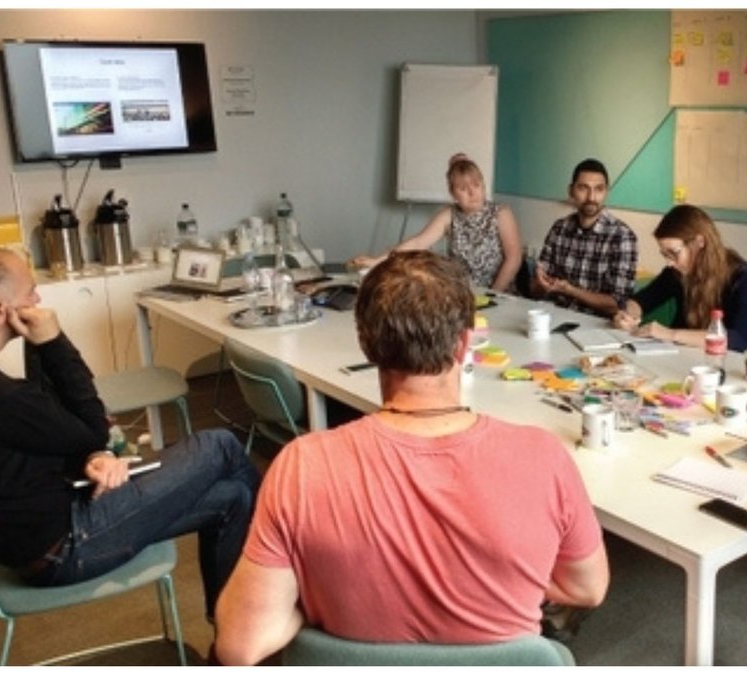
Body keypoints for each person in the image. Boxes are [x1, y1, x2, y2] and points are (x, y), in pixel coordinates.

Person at [214, 250, 609, 665]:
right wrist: (504, 574)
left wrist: (307, 595)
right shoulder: (543, 458)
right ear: (463, 345)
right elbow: (588, 589)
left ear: (367, 344)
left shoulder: (300, 465)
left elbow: (241, 646)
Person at [0, 246, 260, 622]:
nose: (38, 301)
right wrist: (53, 341)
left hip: (38, 530)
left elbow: (48, 428)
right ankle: (289, 554)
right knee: (219, 444)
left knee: (234, 497)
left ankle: (234, 630)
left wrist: (92, 458)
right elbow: (91, 427)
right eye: (31, 292)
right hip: (66, 545)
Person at [351, 153, 523, 292]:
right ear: (453, 194)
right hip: (462, 294)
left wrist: (494, 293)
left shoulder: (501, 213)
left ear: (483, 185)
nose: (472, 192)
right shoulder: (449, 215)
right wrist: (377, 261)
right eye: (463, 189)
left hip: (499, 295)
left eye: (476, 185)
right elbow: (417, 242)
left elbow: (514, 258)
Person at [612, 204, 747, 351]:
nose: (669, 262)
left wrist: (670, 334)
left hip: (732, 366)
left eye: (674, 253)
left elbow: (739, 339)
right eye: (665, 254)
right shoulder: (677, 272)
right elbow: (642, 300)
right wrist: (627, 315)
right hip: (688, 359)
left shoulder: (746, 278)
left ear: (700, 242)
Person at [530, 158, 637, 316]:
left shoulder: (622, 237)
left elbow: (618, 305)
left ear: (606, 192)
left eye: (599, 189)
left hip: (597, 327)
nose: (591, 197)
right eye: (583, 188)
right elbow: (535, 291)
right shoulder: (559, 228)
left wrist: (571, 291)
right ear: (571, 191)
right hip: (554, 316)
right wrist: (540, 285)